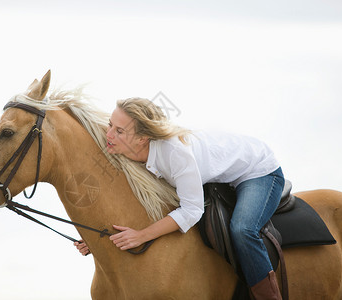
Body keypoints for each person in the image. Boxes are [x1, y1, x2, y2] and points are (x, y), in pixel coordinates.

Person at [74, 97, 285, 299]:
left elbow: (192, 210)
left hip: (257, 170)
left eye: (119, 131)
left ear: (142, 138)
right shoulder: (126, 148)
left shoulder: (175, 153)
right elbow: (134, 207)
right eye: (110, 125)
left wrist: (142, 235)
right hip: (220, 171)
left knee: (242, 229)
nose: (108, 135)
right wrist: (97, 239)